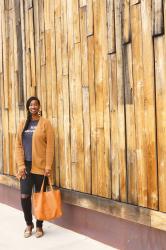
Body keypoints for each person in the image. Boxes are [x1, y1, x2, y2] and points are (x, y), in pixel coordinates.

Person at [15, 96, 54, 238]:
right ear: (28, 107)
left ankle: (39, 226)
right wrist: (20, 165)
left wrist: (48, 166)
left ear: (39, 107)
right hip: (25, 167)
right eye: (31, 105)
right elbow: (18, 146)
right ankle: (28, 224)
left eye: (36, 105)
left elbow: (50, 147)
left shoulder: (45, 124)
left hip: (41, 167)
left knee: (40, 197)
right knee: (24, 196)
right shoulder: (23, 123)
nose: (33, 107)